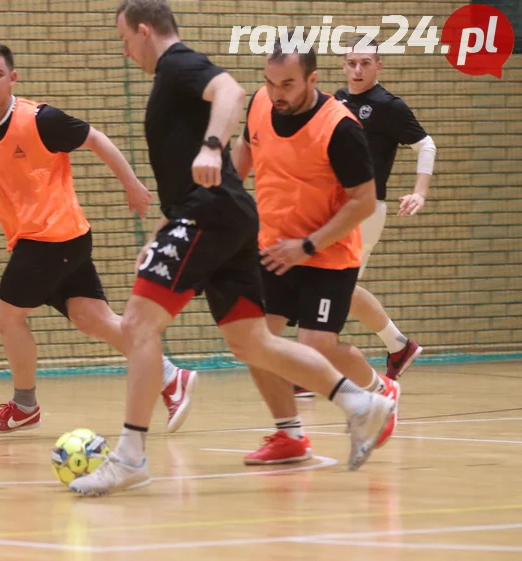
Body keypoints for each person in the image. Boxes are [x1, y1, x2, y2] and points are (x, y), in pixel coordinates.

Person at [68, 0, 395, 497]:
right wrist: (164, 226)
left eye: (123, 40)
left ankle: (130, 456)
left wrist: (212, 146)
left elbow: (229, 88)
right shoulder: (174, 80)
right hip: (228, 214)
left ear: (142, 30)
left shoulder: (176, 62)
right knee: (252, 344)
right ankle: (360, 403)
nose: (125, 50)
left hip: (212, 213)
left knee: (137, 325)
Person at [0, 41, 199, 435]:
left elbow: (96, 138)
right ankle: (170, 377)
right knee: (92, 319)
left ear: (13, 78)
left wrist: (131, 184)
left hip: (53, 237)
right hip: (52, 239)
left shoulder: (41, 119)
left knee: (5, 314)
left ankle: (24, 405)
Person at [229, 36, 401, 466]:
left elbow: (362, 201)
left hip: (327, 251)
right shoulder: (261, 104)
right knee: (253, 342)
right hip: (273, 248)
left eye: (287, 84)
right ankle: (290, 437)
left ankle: (379, 391)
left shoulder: (339, 127)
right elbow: (246, 150)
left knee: (315, 346)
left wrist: (307, 246)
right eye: (269, 82)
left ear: (313, 78)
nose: (276, 93)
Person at [335, 34, 435, 380]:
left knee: (330, 283)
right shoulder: (335, 101)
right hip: (335, 208)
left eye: (365, 62)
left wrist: (419, 191)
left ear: (379, 65)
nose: (357, 69)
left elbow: (426, 145)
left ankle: (311, 366)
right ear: (343, 65)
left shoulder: (389, 105)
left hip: (365, 210)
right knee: (340, 287)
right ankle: (398, 346)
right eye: (351, 63)